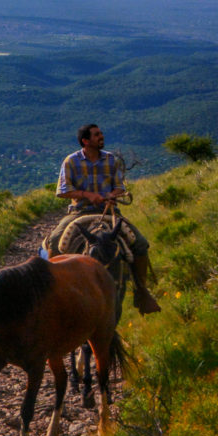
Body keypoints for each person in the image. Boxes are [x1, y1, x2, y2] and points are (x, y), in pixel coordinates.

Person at [54, 123, 161, 314]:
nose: (101, 137)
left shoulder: (111, 159)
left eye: (101, 134)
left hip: (109, 211)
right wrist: (88, 195)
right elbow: (62, 191)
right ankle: (54, 294)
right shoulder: (71, 161)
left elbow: (120, 186)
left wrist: (113, 195)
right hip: (80, 211)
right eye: (96, 135)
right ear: (85, 141)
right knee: (54, 243)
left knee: (140, 245)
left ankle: (142, 291)